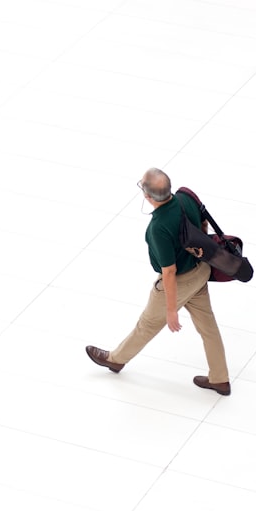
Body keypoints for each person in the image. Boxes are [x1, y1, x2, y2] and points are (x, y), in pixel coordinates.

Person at [86, 168, 231, 395]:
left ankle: (116, 359)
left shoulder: (158, 227)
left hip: (180, 281)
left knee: (148, 324)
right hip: (201, 271)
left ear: (148, 197)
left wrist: (171, 310)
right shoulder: (185, 198)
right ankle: (220, 379)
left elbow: (170, 272)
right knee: (208, 327)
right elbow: (203, 226)